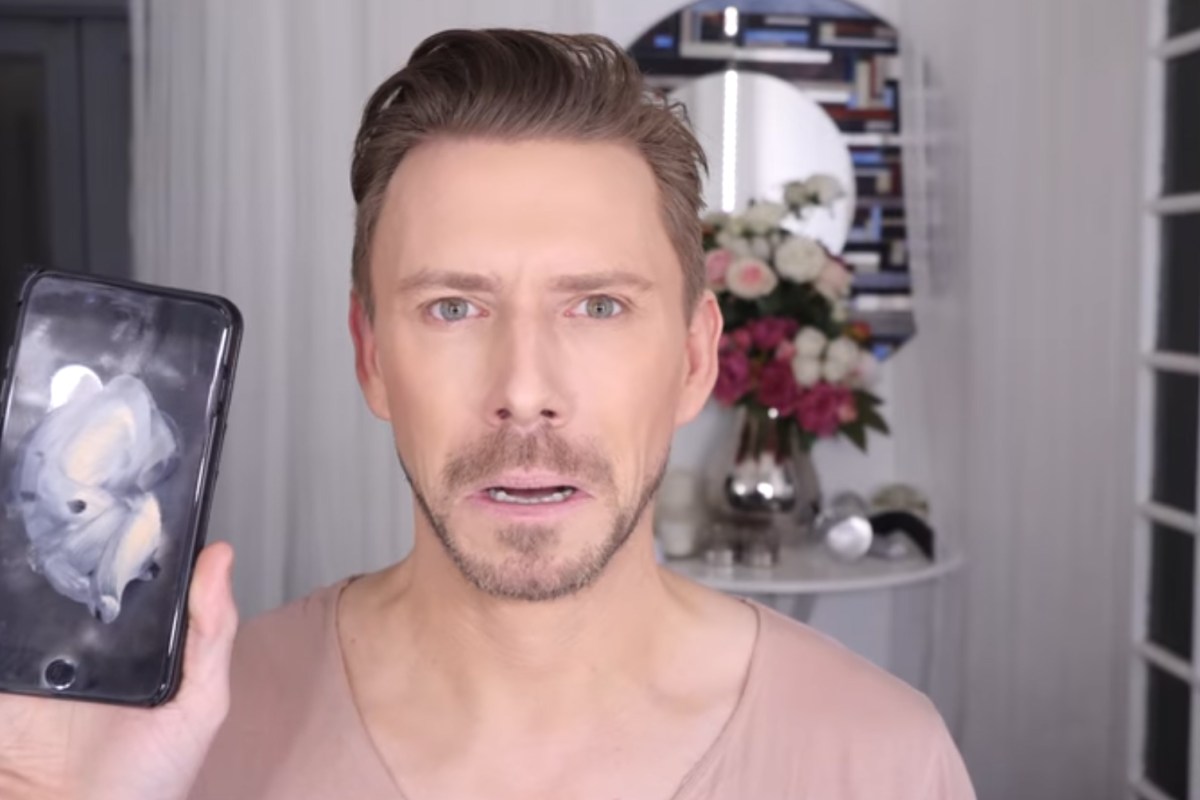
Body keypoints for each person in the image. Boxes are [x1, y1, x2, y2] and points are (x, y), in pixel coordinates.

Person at [0, 29, 975, 800]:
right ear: (372, 357)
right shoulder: (178, 741)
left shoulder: (881, 757)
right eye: (453, 308)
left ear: (692, 357)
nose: (523, 386)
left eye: (598, 306)